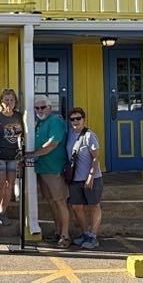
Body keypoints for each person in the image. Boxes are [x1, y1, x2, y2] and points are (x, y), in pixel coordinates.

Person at [27, 97, 71, 248]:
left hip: (54, 169)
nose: (40, 110)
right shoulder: (38, 123)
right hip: (42, 168)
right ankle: (58, 231)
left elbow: (52, 143)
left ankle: (65, 235)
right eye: (37, 108)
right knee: (51, 202)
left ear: (50, 107)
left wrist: (33, 154)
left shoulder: (55, 121)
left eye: (43, 107)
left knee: (60, 201)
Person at [66, 106, 103, 249]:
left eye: (78, 118)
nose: (75, 121)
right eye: (72, 119)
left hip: (91, 177)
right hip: (75, 178)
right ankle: (85, 233)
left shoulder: (89, 135)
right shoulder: (69, 134)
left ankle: (93, 235)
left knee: (94, 205)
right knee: (76, 206)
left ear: (83, 119)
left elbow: (95, 158)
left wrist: (91, 176)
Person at [0, 88, 23, 228]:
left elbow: (22, 136)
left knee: (9, 186)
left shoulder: (19, 116)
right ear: (1, 102)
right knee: (0, 186)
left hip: (14, 157)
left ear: (15, 102)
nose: (9, 102)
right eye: (6, 100)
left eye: (11, 100)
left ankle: (3, 213)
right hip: (0, 156)